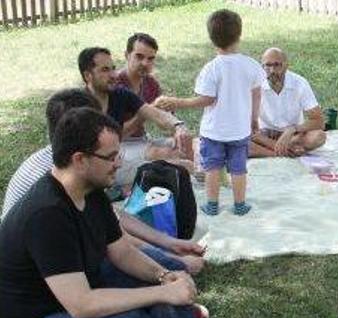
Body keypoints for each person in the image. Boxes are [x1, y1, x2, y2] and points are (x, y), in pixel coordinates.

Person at [0, 108, 236, 318]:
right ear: (79, 160)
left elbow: (122, 252)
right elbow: (82, 305)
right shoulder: (47, 214)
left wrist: (163, 276)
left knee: (168, 269)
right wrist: (162, 293)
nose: (119, 163)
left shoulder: (90, 190)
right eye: (111, 157)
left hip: (83, 284)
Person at [0, 89, 205, 274]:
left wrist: (169, 244)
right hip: (45, 275)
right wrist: (173, 263)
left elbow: (112, 220)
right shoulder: (57, 183)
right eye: (97, 122)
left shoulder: (73, 167)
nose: (117, 163)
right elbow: (116, 245)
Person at [155, 9, 264, 216]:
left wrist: (177, 101)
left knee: (212, 168)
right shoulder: (252, 66)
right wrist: (254, 118)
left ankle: (212, 205)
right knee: (239, 169)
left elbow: (206, 99)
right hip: (240, 131)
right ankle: (240, 205)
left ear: (212, 39)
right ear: (239, 34)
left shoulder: (211, 69)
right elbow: (256, 95)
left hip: (213, 132)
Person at [78, 47, 194, 189]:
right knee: (180, 165)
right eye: (105, 70)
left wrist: (178, 126)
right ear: (88, 75)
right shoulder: (78, 105)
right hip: (102, 161)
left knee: (185, 145)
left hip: (123, 151)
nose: (113, 75)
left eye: (113, 68)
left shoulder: (120, 94)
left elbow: (154, 113)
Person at [250, 47, 326, 158]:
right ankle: (283, 152)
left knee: (319, 136)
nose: (272, 70)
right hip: (264, 135)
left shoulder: (300, 83)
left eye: (277, 65)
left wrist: (292, 129)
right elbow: (248, 126)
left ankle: (277, 150)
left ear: (286, 66)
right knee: (239, 143)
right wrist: (269, 141)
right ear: (262, 67)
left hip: (293, 136)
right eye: (268, 65)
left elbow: (319, 121)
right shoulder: (255, 85)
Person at [114, 32, 164, 139]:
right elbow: (114, 135)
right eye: (139, 57)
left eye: (150, 58)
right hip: (115, 147)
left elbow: (165, 121)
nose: (145, 63)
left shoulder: (151, 84)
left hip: (141, 140)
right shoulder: (113, 86)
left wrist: (177, 127)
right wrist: (145, 113)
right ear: (127, 55)